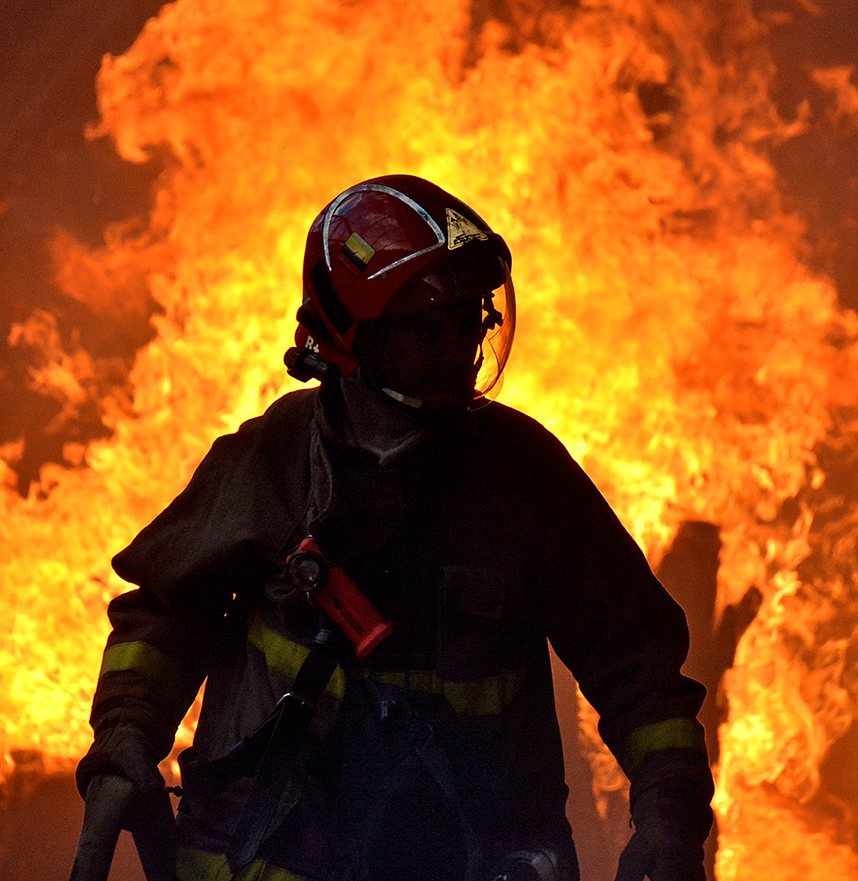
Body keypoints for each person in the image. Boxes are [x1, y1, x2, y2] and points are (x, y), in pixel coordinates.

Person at [76, 175, 715, 881]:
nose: (458, 349)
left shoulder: (522, 477)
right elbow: (165, 614)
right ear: (353, 338)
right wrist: (127, 736)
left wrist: (669, 812)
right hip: (269, 859)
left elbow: (640, 668)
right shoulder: (275, 460)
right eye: (426, 329)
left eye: (470, 320)